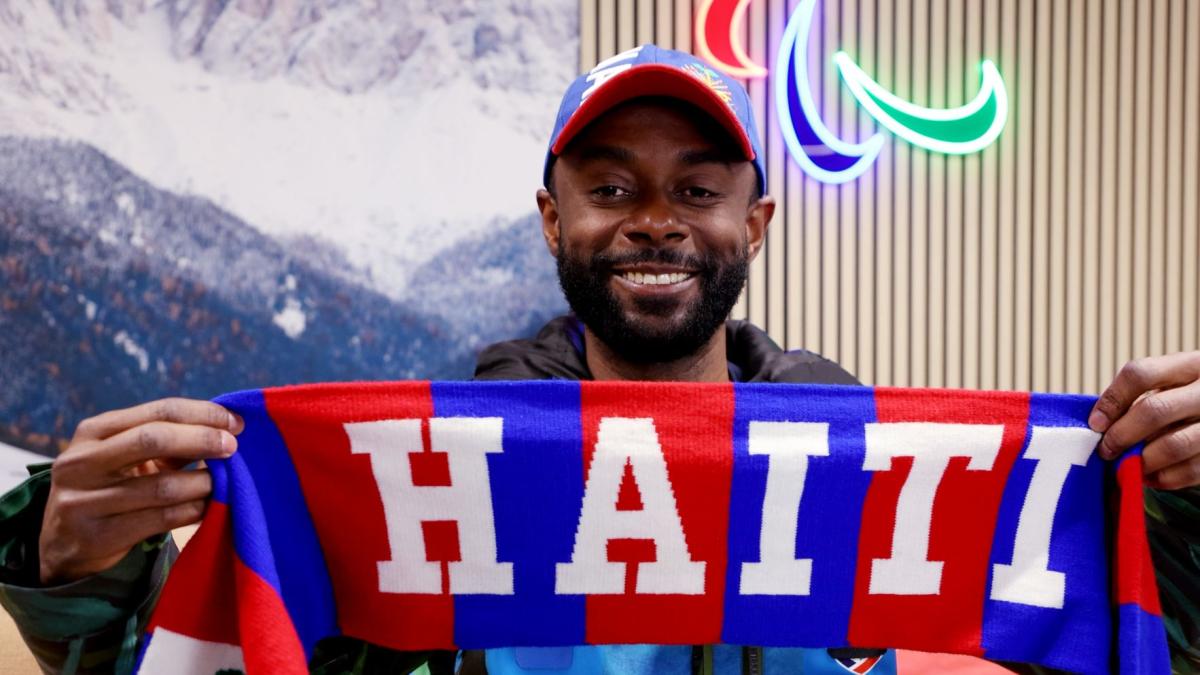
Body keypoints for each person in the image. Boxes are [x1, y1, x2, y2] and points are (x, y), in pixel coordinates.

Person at [1, 44, 1197, 675]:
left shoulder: (875, 462)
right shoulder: (429, 473)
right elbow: (234, 654)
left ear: (757, 225)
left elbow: (1139, 636)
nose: (655, 220)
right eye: (611, 187)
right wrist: (68, 564)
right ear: (550, 220)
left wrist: (1191, 513)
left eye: (698, 190)